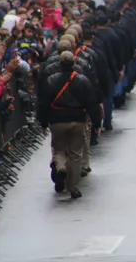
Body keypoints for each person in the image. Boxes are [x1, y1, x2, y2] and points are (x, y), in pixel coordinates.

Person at [39, 51, 101, 199]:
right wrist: (96, 121)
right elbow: (91, 103)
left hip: (57, 121)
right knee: (75, 154)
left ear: (59, 63)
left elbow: (43, 103)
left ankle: (60, 168)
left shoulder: (51, 80)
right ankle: (73, 187)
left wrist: (43, 122)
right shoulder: (82, 80)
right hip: (77, 120)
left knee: (59, 149)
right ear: (74, 64)